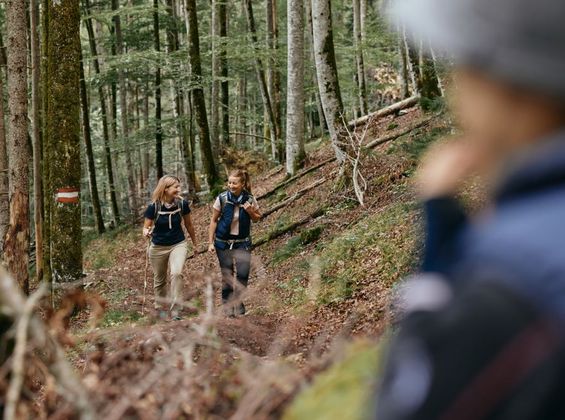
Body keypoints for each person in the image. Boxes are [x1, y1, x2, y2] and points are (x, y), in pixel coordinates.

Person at [376, 0, 565, 418]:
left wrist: (437, 249)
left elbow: (404, 402)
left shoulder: (512, 285)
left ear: (509, 87)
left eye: (464, 70)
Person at [143, 175, 198, 319]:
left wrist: (195, 243)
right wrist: (147, 232)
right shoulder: (153, 207)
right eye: (176, 187)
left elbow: (189, 225)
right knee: (160, 279)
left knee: (176, 273)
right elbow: (145, 228)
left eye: (179, 186)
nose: (179, 189)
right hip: (158, 247)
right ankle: (160, 308)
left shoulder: (182, 204)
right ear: (165, 189)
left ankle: (176, 311)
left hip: (178, 244)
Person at [208, 169, 261, 317]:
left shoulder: (250, 199)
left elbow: (257, 218)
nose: (231, 185)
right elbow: (213, 221)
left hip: (242, 243)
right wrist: (210, 242)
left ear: (242, 184)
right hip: (222, 242)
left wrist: (250, 211)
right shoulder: (222, 198)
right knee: (228, 274)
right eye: (229, 182)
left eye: (234, 183)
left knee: (243, 274)